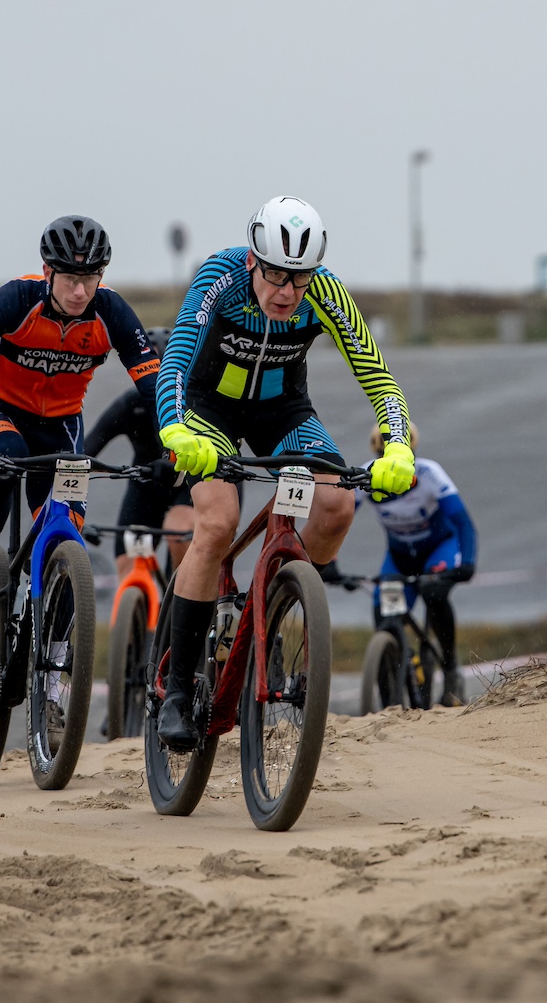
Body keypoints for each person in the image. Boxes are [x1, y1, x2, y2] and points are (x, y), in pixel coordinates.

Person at [153, 195, 416, 749]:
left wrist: (397, 448)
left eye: (300, 279)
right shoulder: (218, 278)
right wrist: (177, 431)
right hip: (208, 411)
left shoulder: (324, 293)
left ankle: (273, 610)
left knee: (337, 505)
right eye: (276, 275)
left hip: (283, 413)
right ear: (253, 260)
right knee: (219, 520)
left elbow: (379, 379)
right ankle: (177, 692)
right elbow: (174, 360)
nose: (286, 292)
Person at [0, 216, 160, 632]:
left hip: (60, 426)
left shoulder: (112, 312)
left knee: (67, 539)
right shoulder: (17, 299)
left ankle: (56, 677)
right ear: (47, 272)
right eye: (70, 278)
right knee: (9, 460)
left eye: (90, 279)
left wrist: (177, 441)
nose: (79, 291)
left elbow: (155, 387)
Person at [356, 422, 477, 704]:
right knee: (382, 612)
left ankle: (450, 671)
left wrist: (467, 563)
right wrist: (329, 561)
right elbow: (338, 519)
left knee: (434, 594)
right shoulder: (366, 475)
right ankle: (390, 694)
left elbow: (462, 522)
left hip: (438, 549)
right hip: (399, 559)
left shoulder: (429, 473)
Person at [80, 336, 197, 580]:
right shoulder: (132, 404)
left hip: (189, 484)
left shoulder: (193, 403)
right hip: (147, 485)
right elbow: (87, 448)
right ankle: (138, 611)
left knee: (179, 533)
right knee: (128, 564)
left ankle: (182, 601)